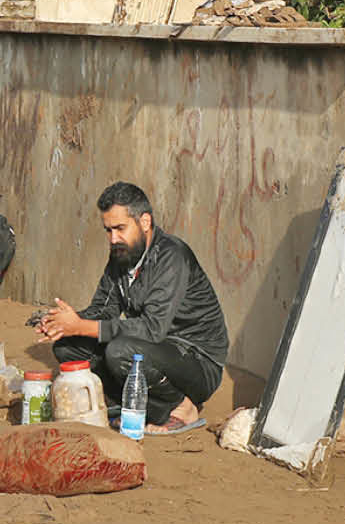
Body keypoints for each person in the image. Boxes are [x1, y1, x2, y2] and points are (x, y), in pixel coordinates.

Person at [37, 181, 229, 433]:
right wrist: (63, 322)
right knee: (68, 347)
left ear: (145, 222)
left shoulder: (172, 257)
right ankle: (131, 405)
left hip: (195, 359)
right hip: (151, 349)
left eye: (120, 228)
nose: (113, 238)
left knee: (120, 352)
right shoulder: (122, 255)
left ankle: (181, 407)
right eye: (108, 230)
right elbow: (103, 310)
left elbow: (153, 329)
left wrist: (81, 326)